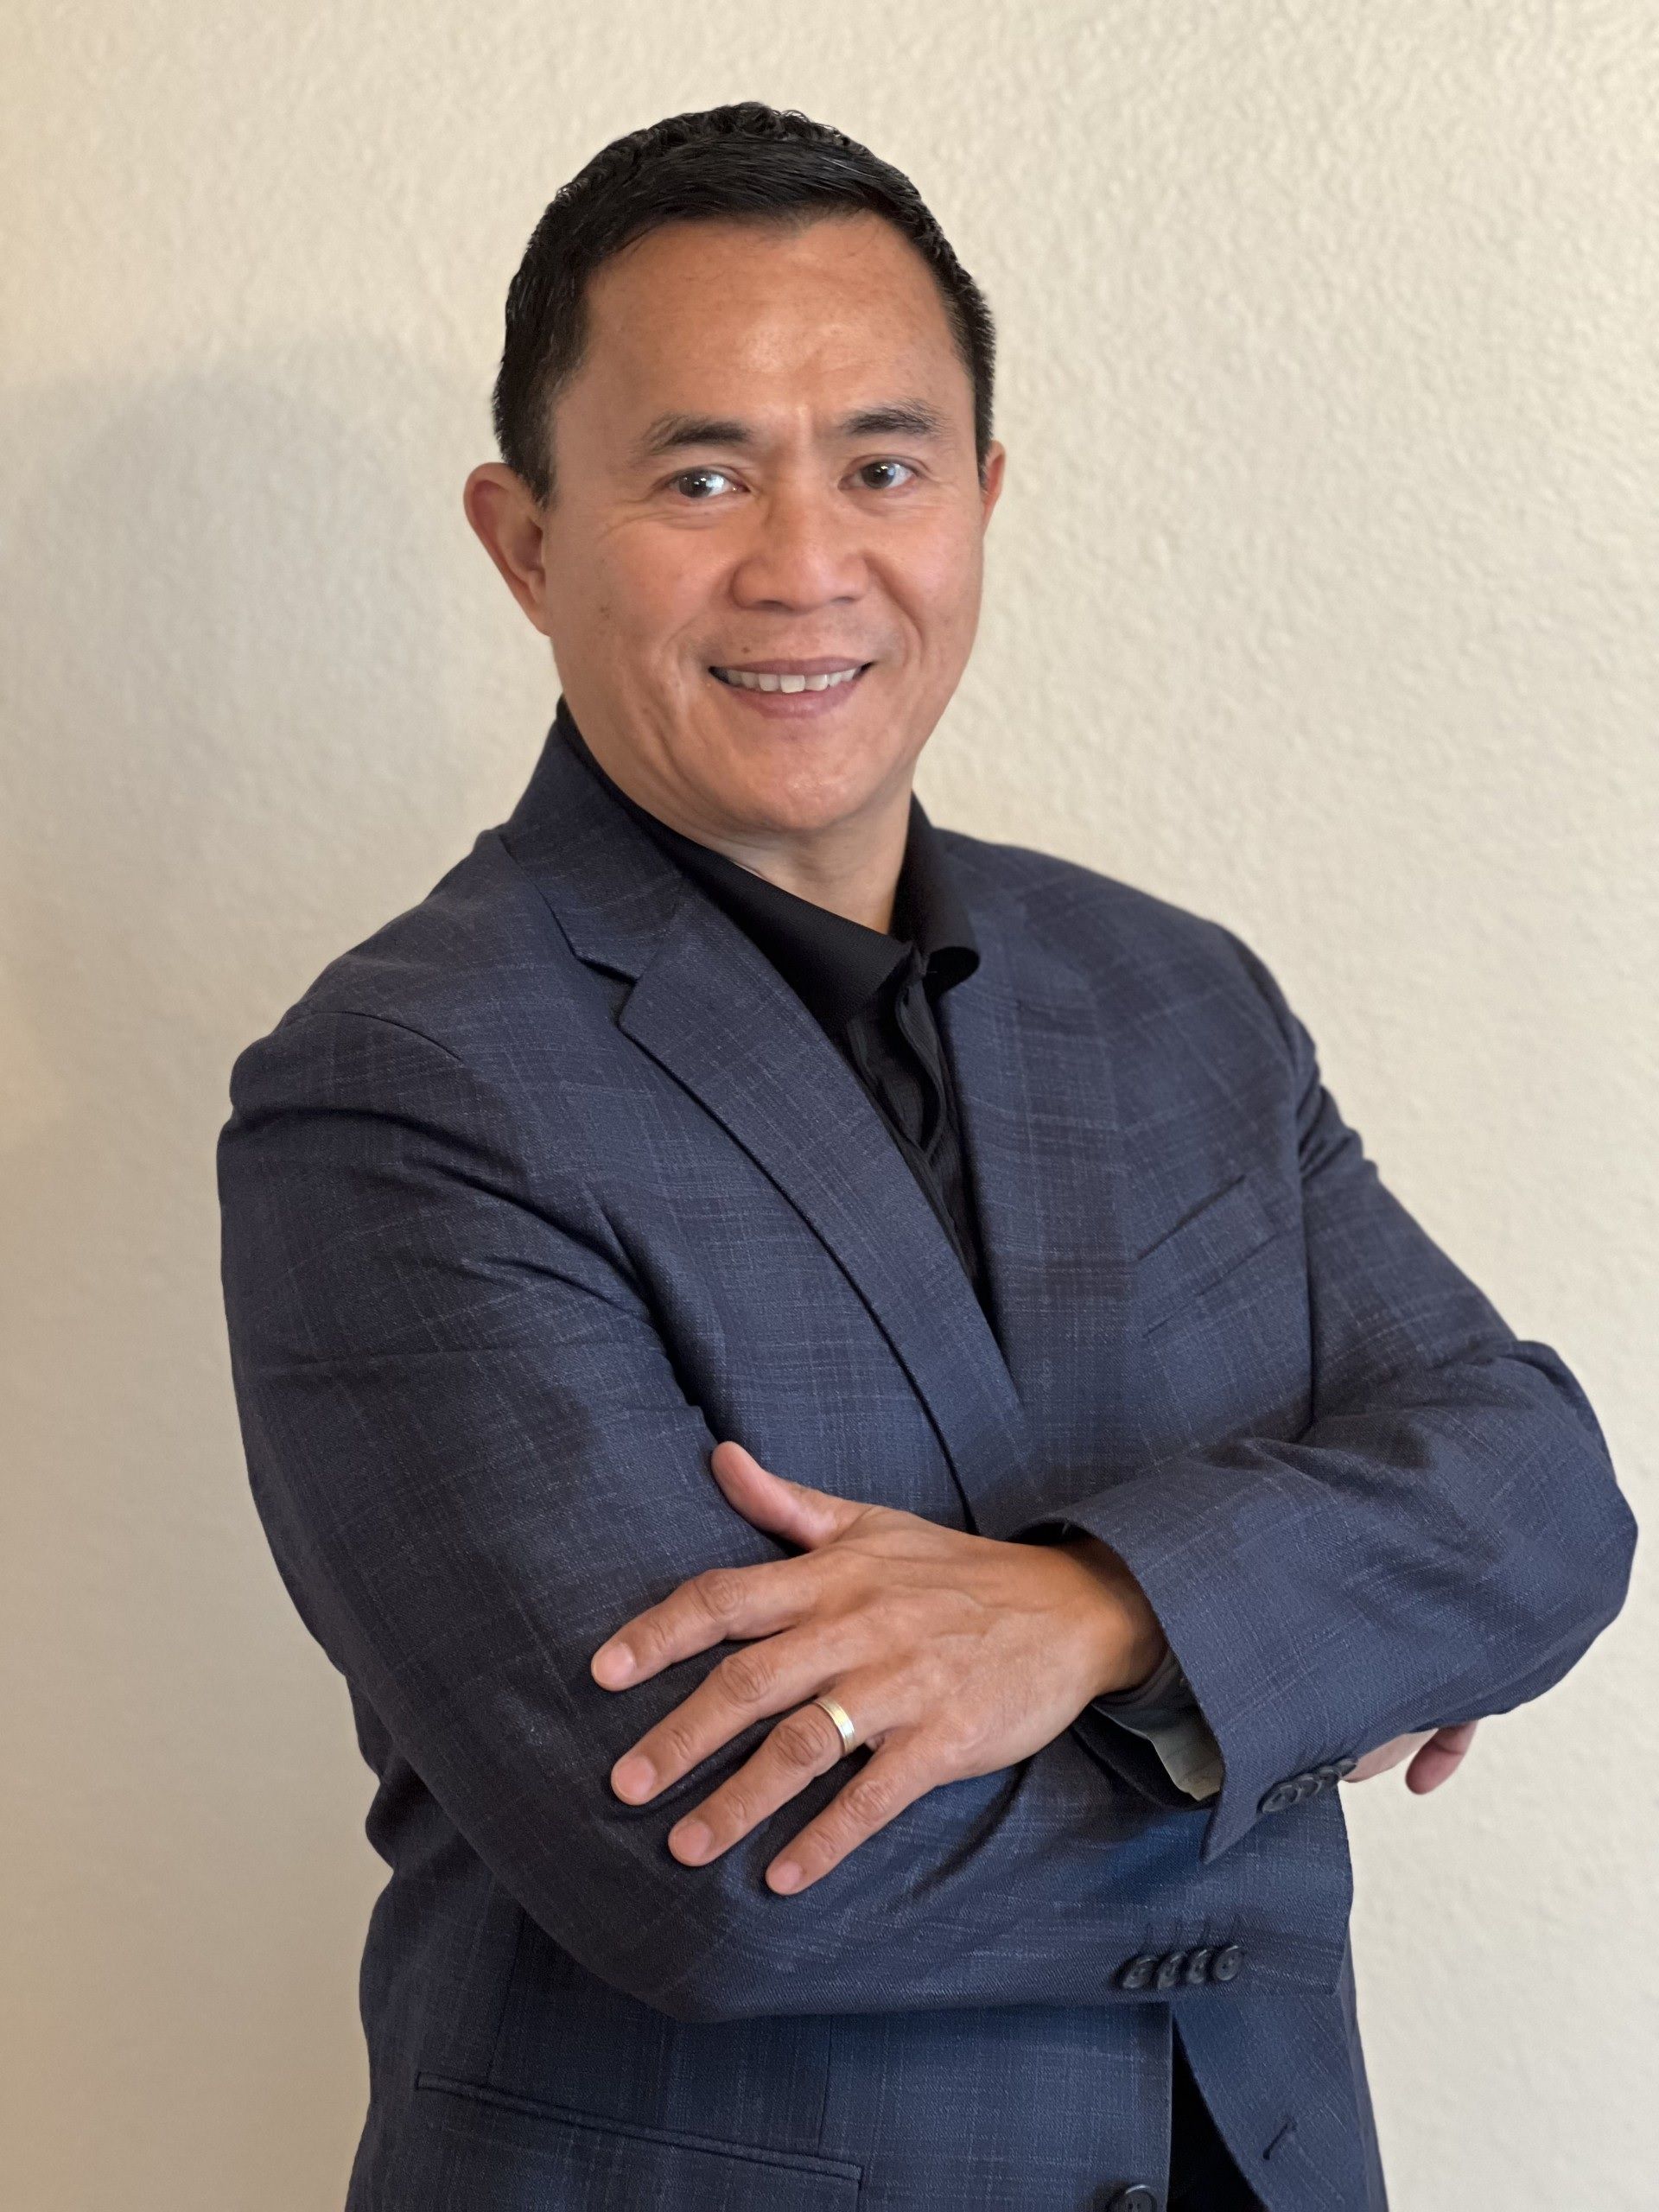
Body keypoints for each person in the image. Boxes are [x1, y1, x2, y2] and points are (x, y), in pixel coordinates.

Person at [216, 102, 1635, 2212]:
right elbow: (718, 1874)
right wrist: (1279, 1701)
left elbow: (1544, 1495)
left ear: (983, 495)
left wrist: (1103, 1616)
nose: (807, 564)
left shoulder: (1175, 995)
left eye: (883, 466)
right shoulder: (402, 1086)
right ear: (527, 540)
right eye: (702, 476)